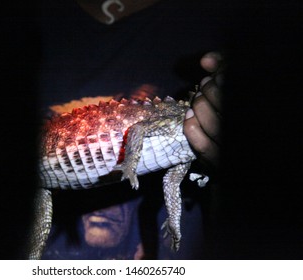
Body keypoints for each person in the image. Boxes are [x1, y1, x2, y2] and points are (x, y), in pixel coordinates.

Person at [38, 0, 223, 259]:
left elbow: (171, 182)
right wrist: (130, 163)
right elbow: (138, 129)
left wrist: (174, 224)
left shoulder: (213, 22)